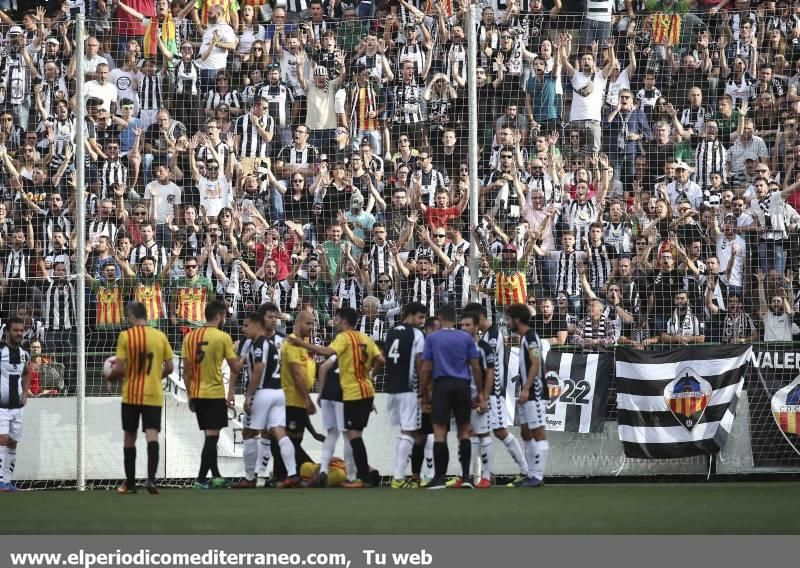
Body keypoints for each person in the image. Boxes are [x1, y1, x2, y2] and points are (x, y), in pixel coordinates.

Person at [312, 307, 385, 488]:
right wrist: (370, 378)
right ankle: (353, 476)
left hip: (334, 392)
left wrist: (321, 392)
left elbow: (323, 365)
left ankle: (326, 470)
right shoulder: (363, 340)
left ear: (343, 320)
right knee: (348, 435)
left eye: (337, 319)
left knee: (337, 434)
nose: (335, 322)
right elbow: (380, 361)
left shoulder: (342, 343)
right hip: (351, 393)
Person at [108, 302, 175, 495]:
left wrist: (109, 376)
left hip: (131, 394)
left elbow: (119, 368)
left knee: (130, 437)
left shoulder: (125, 336)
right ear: (146, 316)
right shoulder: (160, 336)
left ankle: (130, 483)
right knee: (152, 435)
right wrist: (155, 377)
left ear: (130, 316)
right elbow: (170, 367)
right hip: (153, 393)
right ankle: (152, 480)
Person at [463, 303, 528, 484]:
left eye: (471, 322)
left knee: (500, 431)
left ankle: (525, 471)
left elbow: (487, 368)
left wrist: (482, 395)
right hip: (482, 392)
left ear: (479, 318)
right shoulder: (485, 336)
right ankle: (473, 477)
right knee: (476, 432)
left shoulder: (492, 336)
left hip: (492, 393)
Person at [418, 304, 482, 489]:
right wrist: (479, 392)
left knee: (439, 432)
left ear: (439, 317)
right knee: (464, 431)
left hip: (442, 385)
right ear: (455, 318)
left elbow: (426, 368)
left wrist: (422, 392)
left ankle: (439, 478)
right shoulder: (466, 338)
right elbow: (476, 366)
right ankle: (466, 478)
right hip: (462, 385)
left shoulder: (433, 338)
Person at [236, 311, 301, 489]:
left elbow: (258, 369)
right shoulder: (270, 343)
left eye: (247, 325)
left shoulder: (259, 343)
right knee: (279, 432)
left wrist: (249, 396)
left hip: (263, 392)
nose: (244, 329)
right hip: (278, 393)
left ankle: (249, 478)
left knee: (249, 433)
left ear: (257, 325)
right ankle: (293, 474)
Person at [181, 300, 241, 489]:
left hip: (197, 393)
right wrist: (243, 353)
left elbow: (186, 372)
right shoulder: (222, 337)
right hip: (213, 392)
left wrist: (190, 395)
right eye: (225, 316)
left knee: (210, 435)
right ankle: (200, 479)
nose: (225, 319)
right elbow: (234, 367)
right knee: (212, 437)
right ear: (219, 315)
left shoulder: (190, 337)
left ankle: (215, 476)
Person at [382, 302, 426, 488]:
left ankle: (407, 475)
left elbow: (385, 357)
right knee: (409, 431)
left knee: (406, 432)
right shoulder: (417, 334)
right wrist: (423, 392)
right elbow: (420, 364)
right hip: (409, 389)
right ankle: (398, 477)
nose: (422, 321)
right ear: (410, 315)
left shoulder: (391, 332)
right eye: (420, 317)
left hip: (392, 388)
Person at [506, 303, 548, 488]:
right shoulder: (524, 338)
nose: (507, 323)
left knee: (538, 433)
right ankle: (531, 473)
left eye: (508, 319)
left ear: (516, 320)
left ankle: (537, 476)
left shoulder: (531, 338)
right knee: (525, 432)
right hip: (528, 391)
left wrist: (526, 388)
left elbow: (536, 362)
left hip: (535, 392)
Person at [458, 311, 494, 489]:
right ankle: (468, 476)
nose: (464, 328)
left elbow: (490, 374)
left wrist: (484, 397)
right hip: (463, 398)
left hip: (478, 398)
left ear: (476, 327)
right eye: (462, 325)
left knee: (484, 434)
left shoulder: (484, 348)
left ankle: (486, 476)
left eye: (468, 325)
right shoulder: (458, 347)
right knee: (467, 435)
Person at [0, 317, 30, 492]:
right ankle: (1, 481)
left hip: (17, 408)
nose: (19, 333)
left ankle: (7, 481)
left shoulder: (25, 353)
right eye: (15, 330)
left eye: (21, 330)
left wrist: (25, 392)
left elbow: (26, 373)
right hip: (1, 406)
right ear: (7, 331)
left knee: (12, 442)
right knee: (2, 440)